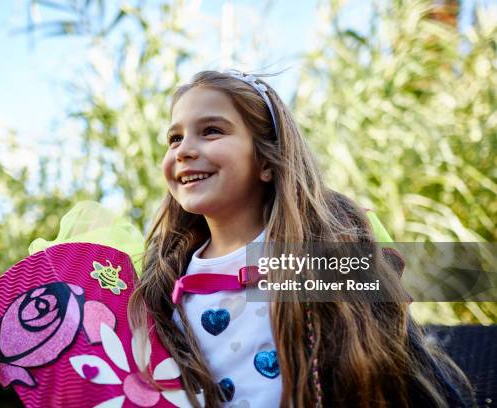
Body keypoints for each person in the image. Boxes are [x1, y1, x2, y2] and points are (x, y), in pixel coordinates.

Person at [128, 70, 473, 407]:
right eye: (175, 138)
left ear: (265, 160)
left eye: (211, 131)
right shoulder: (163, 280)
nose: (184, 150)